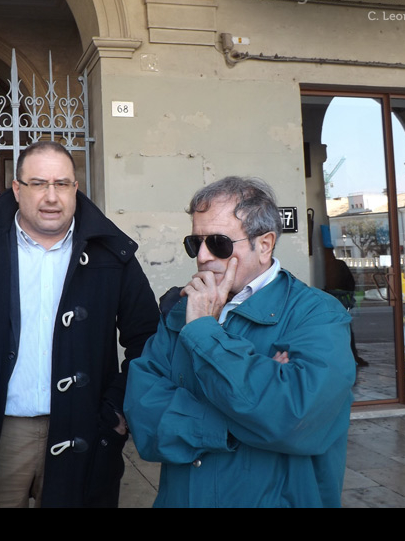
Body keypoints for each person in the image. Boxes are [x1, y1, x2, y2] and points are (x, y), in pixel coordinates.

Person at [0, 141, 159, 508]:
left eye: (62, 184)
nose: (51, 197)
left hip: (84, 430)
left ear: (75, 189)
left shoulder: (113, 256)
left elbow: (148, 339)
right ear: (16, 189)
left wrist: (117, 410)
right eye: (38, 183)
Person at [124, 176, 356, 508]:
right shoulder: (181, 310)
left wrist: (204, 330)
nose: (202, 256)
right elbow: (143, 413)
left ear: (264, 244)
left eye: (218, 242)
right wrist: (240, 424)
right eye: (195, 242)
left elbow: (296, 417)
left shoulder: (318, 314)